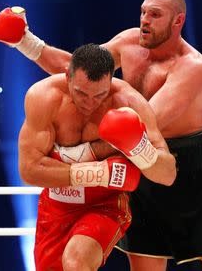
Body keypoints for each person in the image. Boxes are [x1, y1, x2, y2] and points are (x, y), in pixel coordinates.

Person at [0, 0, 202, 270]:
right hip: (127, 162)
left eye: (155, 14)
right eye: (143, 12)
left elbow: (136, 128)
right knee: (145, 261)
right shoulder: (128, 42)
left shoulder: (192, 67)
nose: (145, 20)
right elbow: (81, 70)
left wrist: (78, 153)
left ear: (178, 21)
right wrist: (27, 42)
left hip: (180, 161)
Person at [16, 43, 176, 271]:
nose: (89, 103)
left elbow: (168, 174)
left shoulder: (129, 103)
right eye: (81, 92)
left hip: (104, 205)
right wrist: (100, 172)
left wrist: (141, 150)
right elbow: (29, 170)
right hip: (56, 207)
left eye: (99, 94)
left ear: (110, 81)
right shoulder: (44, 98)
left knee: (76, 262)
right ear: (67, 76)